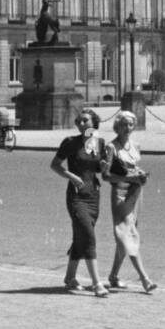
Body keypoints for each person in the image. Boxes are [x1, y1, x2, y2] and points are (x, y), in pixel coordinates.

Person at [51, 108, 109, 297]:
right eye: (79, 121)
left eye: (85, 121)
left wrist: (104, 166)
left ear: (94, 124)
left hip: (93, 194)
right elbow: (55, 165)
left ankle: (69, 278)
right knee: (89, 236)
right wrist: (71, 176)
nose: (81, 124)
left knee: (81, 236)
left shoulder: (98, 142)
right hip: (76, 195)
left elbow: (99, 169)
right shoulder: (70, 143)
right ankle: (97, 283)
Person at [103, 111, 157, 294]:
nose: (127, 128)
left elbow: (134, 168)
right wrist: (129, 178)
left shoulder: (136, 145)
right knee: (128, 234)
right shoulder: (111, 147)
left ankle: (113, 276)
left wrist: (140, 176)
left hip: (136, 193)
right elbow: (106, 175)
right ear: (117, 126)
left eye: (131, 125)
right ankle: (145, 279)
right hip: (120, 193)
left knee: (126, 235)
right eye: (124, 124)